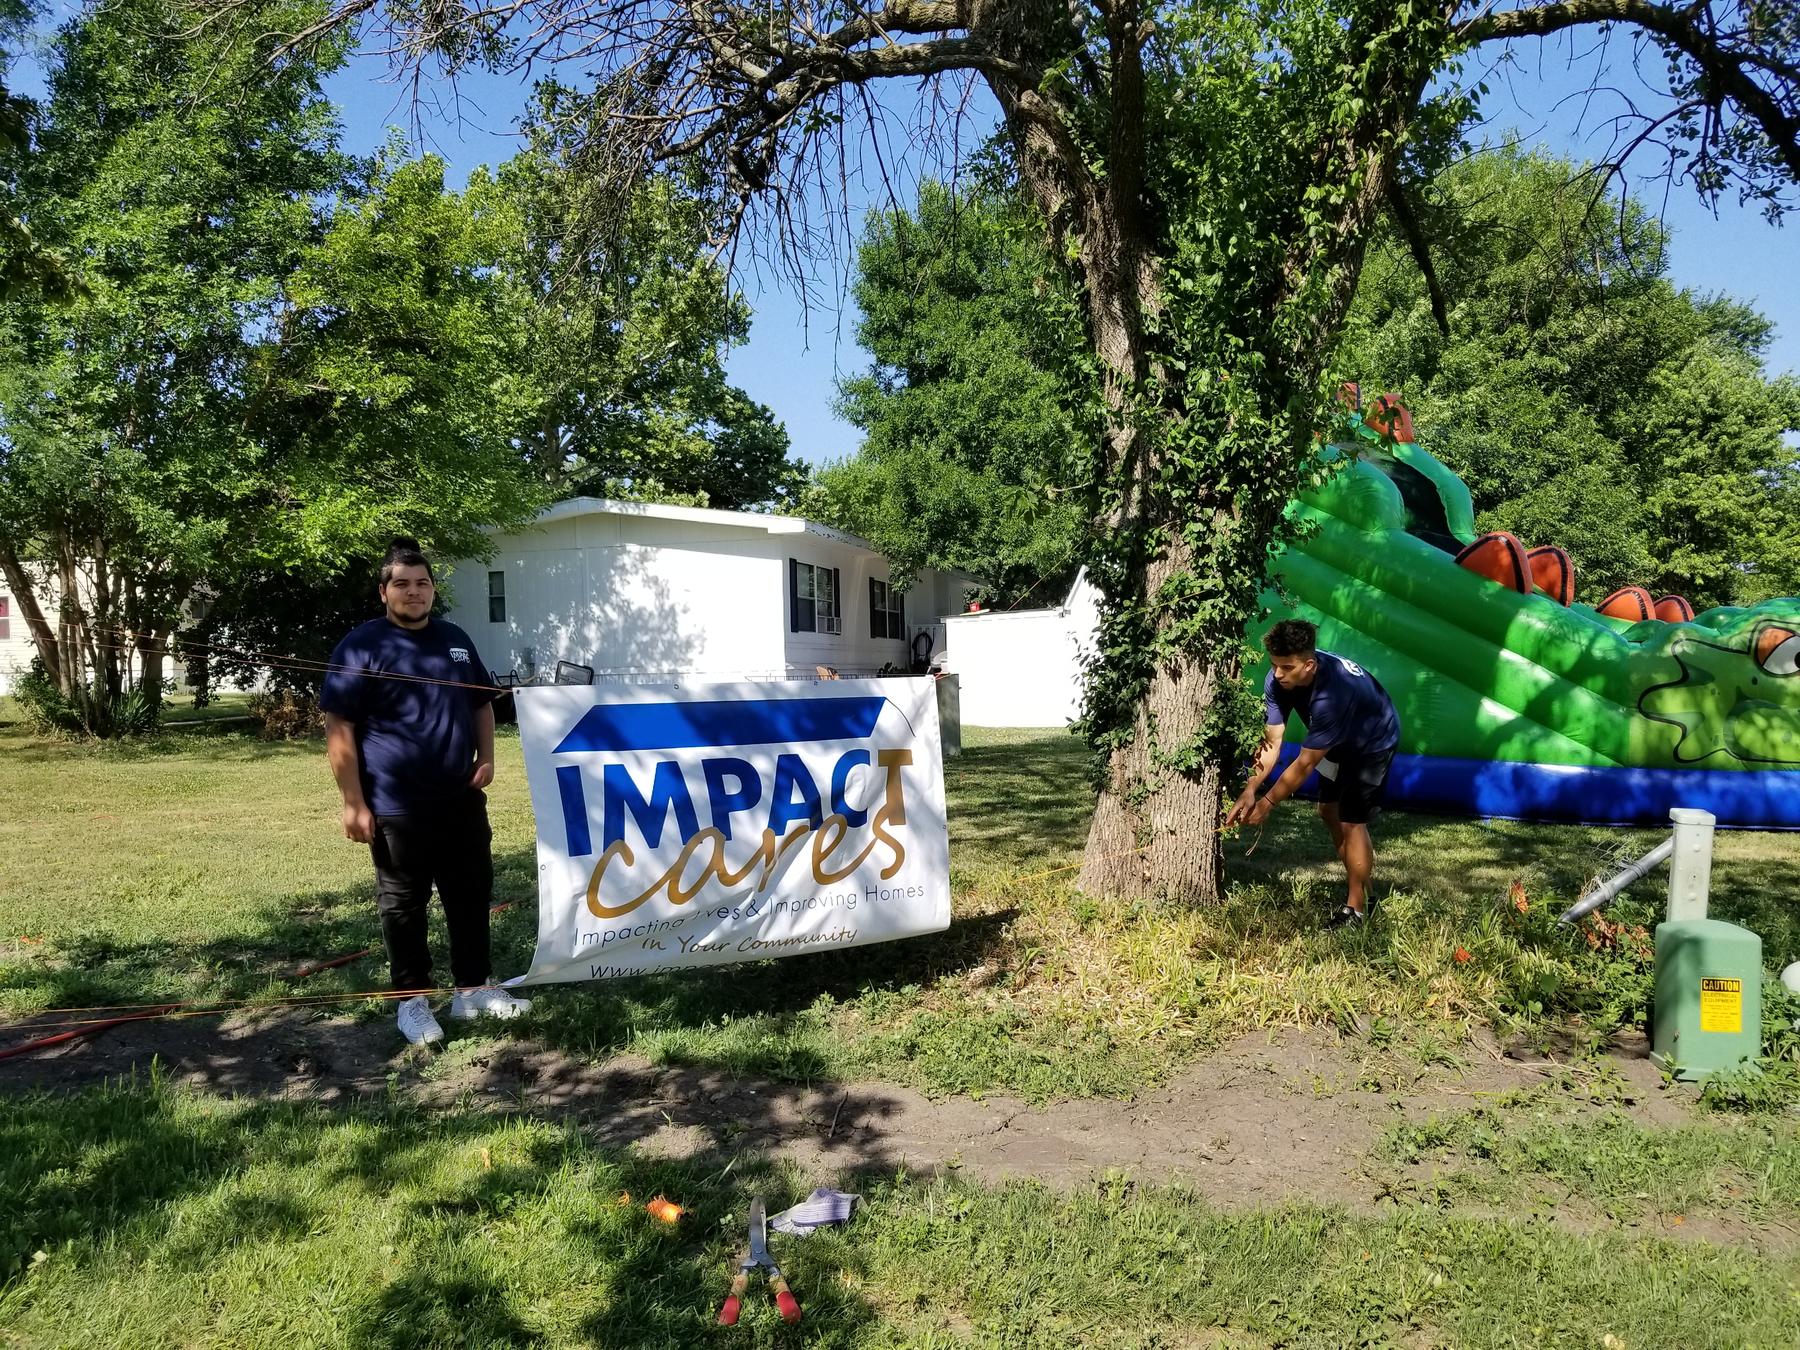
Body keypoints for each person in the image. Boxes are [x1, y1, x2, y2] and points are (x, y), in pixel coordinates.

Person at [319, 539, 531, 1044]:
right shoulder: (361, 645)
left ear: (434, 589)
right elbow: (339, 725)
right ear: (384, 592)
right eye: (402, 584)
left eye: (422, 583)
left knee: (470, 893)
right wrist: (353, 802)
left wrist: (487, 757)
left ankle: (472, 991)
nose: (413, 592)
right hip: (395, 805)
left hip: (460, 800)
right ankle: (411, 1003)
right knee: (403, 904)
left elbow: (481, 703)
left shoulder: (455, 640)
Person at [1224, 619, 1400, 927]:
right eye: (1274, 665)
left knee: (1351, 822)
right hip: (1334, 745)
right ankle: (1366, 891)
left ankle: (1356, 911)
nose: (1278, 674)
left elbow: (1305, 763)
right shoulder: (1277, 680)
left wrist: (1267, 803)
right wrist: (1251, 788)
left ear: (1309, 665)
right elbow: (1271, 742)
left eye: (1287, 667)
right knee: (1328, 811)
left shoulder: (1331, 696)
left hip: (1372, 743)